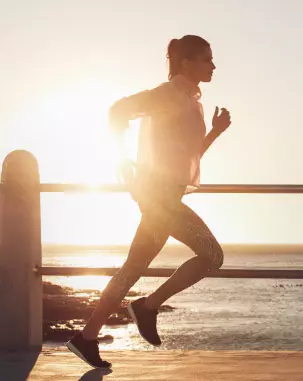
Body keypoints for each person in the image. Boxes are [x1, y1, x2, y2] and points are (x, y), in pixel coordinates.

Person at [66, 34, 231, 369]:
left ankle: (86, 337)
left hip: (166, 196)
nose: (213, 65)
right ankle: (147, 306)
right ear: (185, 62)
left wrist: (214, 132)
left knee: (133, 267)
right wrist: (121, 158)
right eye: (206, 58)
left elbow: (189, 157)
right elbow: (117, 111)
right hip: (160, 198)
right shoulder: (168, 95)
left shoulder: (190, 102)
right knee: (212, 255)